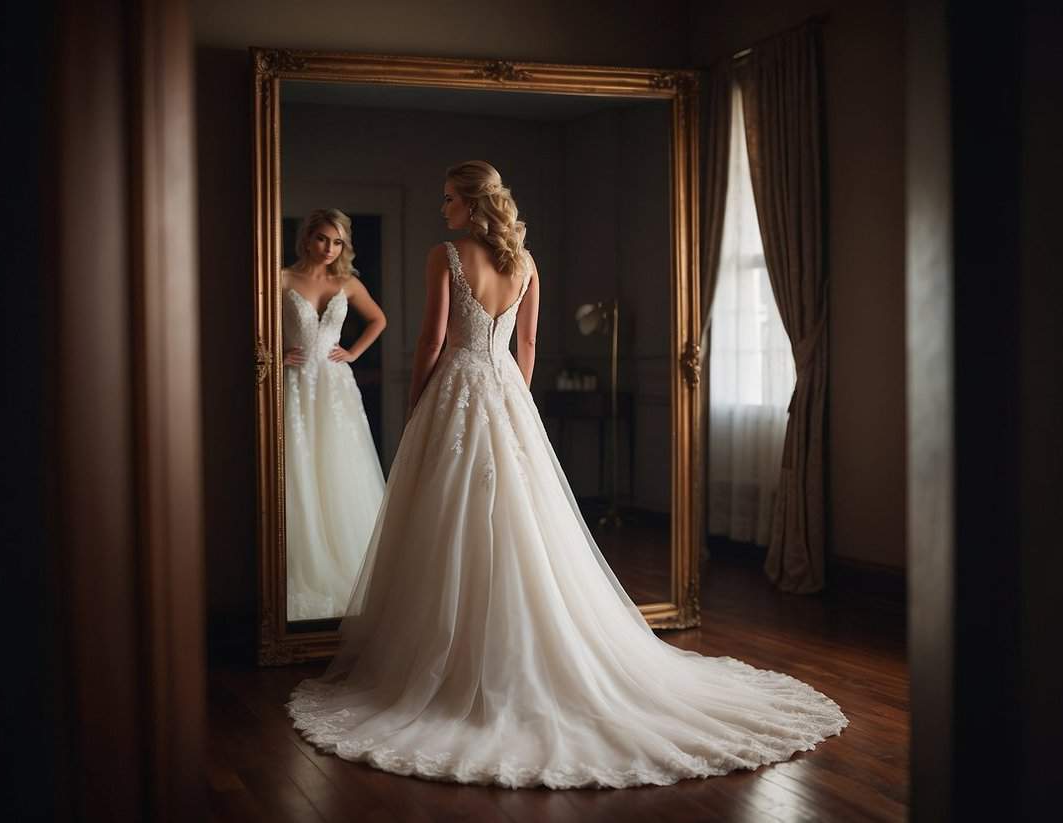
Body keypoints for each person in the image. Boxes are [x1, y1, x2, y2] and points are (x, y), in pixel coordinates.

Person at [287, 163, 847, 788]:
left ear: (472, 203)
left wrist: (418, 400)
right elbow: (526, 348)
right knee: (519, 522)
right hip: (505, 392)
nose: (441, 207)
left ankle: (450, 662)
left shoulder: (445, 254)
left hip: (457, 388)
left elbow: (430, 341)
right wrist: (513, 401)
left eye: (448, 198)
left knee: (448, 515)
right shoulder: (526, 264)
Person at [281, 208, 387, 620]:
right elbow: (254, 326)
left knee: (340, 468)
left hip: (337, 390)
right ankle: (306, 563)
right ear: (307, 238)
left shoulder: (348, 283)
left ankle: (347, 562)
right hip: (296, 386)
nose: (329, 248)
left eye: (338, 241)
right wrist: (275, 350)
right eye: (323, 238)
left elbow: (379, 319)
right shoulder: (282, 279)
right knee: (300, 469)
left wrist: (353, 353)